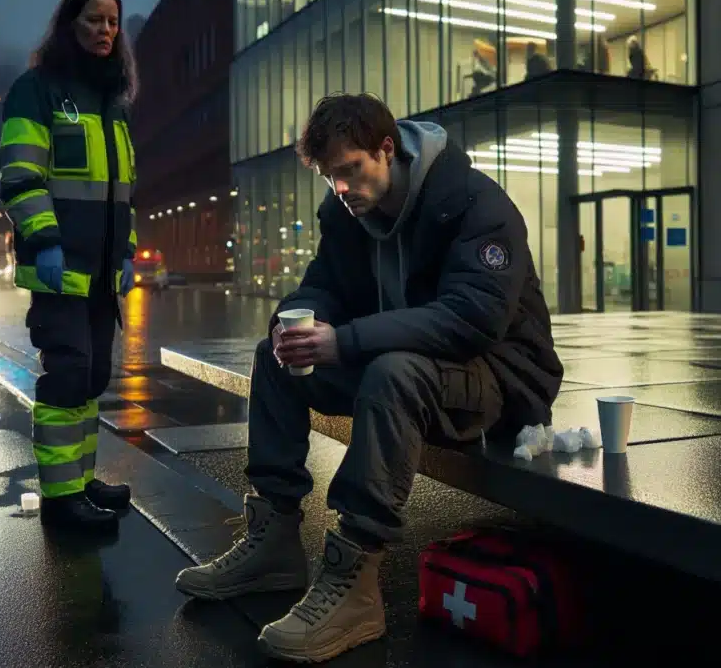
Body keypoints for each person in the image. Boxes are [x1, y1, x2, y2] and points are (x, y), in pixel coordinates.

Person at [175, 93, 564, 662]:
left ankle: (354, 583)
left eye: (351, 170)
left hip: (500, 379)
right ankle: (272, 541)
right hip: (408, 364)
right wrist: (293, 322)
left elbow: (473, 319)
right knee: (275, 359)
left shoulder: (474, 204)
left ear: (387, 149)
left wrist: (346, 341)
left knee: (393, 370)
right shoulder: (347, 213)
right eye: (330, 176)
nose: (341, 187)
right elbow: (323, 285)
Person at [0, 0, 141, 534]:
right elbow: (21, 176)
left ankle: (80, 481)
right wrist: (46, 242)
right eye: (94, 20)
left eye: (112, 22)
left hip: (102, 273)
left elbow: (123, 194)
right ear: (69, 25)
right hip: (59, 268)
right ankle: (61, 501)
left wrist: (126, 253)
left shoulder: (111, 103)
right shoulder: (36, 91)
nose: (105, 31)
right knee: (67, 375)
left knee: (92, 376)